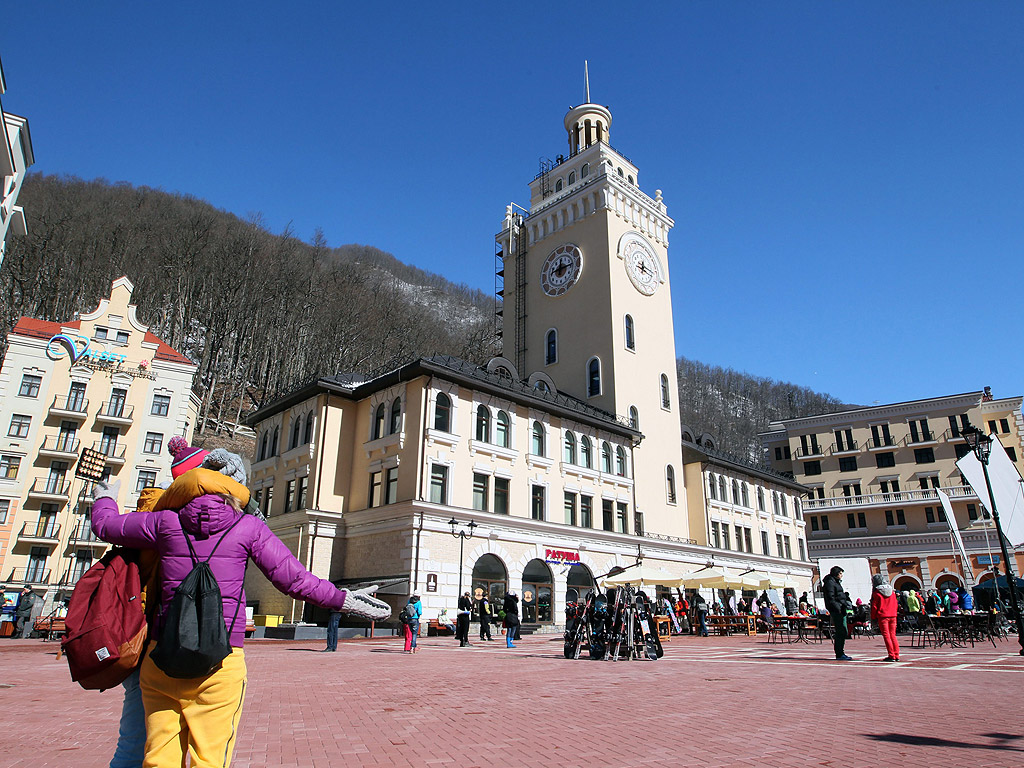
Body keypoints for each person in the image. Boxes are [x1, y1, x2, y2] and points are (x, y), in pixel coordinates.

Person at [90, 460, 390, 768]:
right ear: (236, 494)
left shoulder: (165, 522)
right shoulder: (248, 527)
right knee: (211, 759)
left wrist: (104, 497)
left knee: (158, 759)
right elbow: (295, 580)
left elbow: (105, 527)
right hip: (221, 661)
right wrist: (343, 600)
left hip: (162, 658)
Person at [822, 566, 854, 661]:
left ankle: (841, 652)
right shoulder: (830, 583)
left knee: (843, 630)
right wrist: (838, 608)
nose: (841, 575)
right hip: (837, 610)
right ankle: (839, 653)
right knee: (841, 631)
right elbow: (831, 597)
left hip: (841, 608)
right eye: (840, 573)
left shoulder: (834, 582)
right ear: (836, 573)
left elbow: (838, 595)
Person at [870, 574, 900, 662]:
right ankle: (896, 654)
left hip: (883, 616)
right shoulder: (892, 592)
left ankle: (891, 655)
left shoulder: (877, 593)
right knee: (893, 635)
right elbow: (896, 604)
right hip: (893, 615)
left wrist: (873, 617)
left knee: (886, 636)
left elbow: (874, 606)